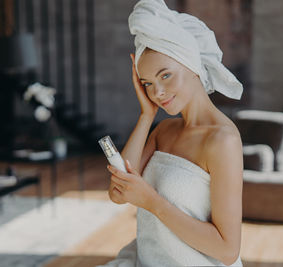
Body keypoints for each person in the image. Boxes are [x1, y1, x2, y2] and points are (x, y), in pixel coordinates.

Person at [97, 0, 244, 266]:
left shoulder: (223, 141)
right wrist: (146, 116)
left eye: (165, 75)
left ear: (192, 65)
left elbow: (227, 250)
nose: (157, 93)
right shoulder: (163, 130)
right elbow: (118, 193)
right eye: (147, 83)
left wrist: (152, 202)